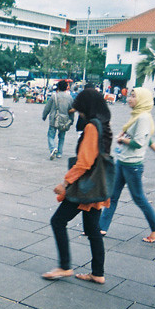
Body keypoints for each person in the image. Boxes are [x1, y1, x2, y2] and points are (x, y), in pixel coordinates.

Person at [42, 89, 113, 284]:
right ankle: (98, 273)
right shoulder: (105, 125)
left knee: (58, 221)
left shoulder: (92, 127)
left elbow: (84, 162)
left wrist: (65, 183)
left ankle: (65, 267)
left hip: (85, 187)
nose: (79, 113)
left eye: (80, 109)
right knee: (93, 231)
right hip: (98, 188)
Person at [98, 87, 155, 243]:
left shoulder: (143, 118)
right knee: (113, 196)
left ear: (142, 100)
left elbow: (138, 143)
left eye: (133, 96)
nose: (129, 98)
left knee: (139, 198)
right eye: (129, 95)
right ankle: (101, 227)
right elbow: (148, 140)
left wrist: (122, 139)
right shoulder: (137, 116)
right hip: (123, 162)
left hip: (132, 165)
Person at [42, 80, 74, 160]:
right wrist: (71, 120)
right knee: (62, 137)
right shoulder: (70, 98)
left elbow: (47, 108)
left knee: (51, 135)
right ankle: (59, 153)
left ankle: (53, 148)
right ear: (66, 88)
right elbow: (71, 110)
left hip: (54, 118)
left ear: (58, 87)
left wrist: (44, 116)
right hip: (64, 120)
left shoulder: (54, 96)